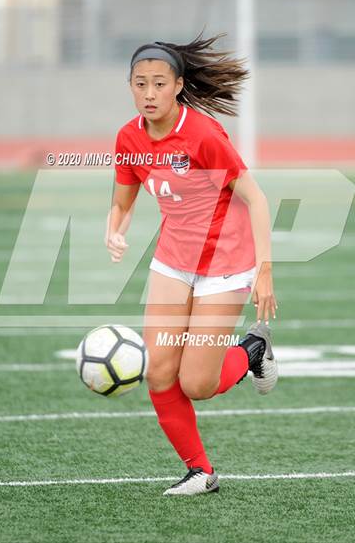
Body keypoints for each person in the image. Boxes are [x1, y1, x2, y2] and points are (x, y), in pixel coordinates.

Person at [106, 31, 278, 496]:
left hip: (226, 261)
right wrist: (115, 226)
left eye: (159, 84)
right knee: (159, 371)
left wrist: (265, 269)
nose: (149, 93)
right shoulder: (128, 137)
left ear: (179, 85)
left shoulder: (202, 135)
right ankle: (201, 472)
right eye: (140, 84)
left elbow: (255, 198)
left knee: (197, 383)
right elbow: (124, 198)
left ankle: (250, 353)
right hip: (172, 260)